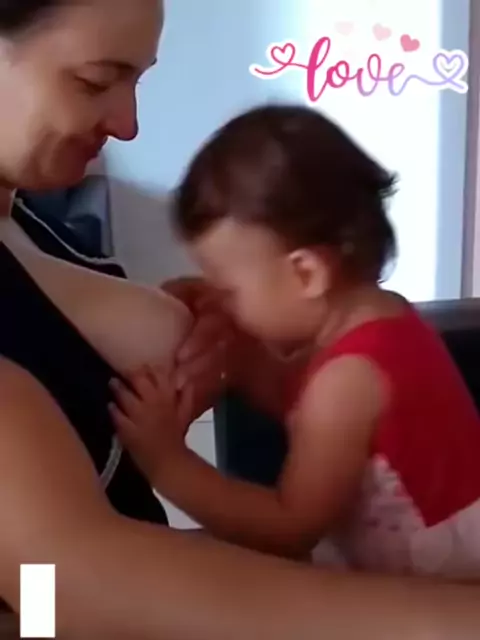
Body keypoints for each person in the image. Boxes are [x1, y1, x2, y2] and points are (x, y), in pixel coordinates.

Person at [0, 1, 479, 638]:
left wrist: (229, 359)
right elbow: (57, 584)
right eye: (94, 81)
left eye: (135, 79)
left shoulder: (31, 220)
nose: (129, 124)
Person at [110, 104, 480, 578]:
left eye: (228, 289)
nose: (221, 301)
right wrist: (241, 359)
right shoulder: (383, 318)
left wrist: (168, 464)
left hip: (438, 588)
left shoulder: (347, 381)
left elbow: (290, 528)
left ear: (306, 273)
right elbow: (303, 408)